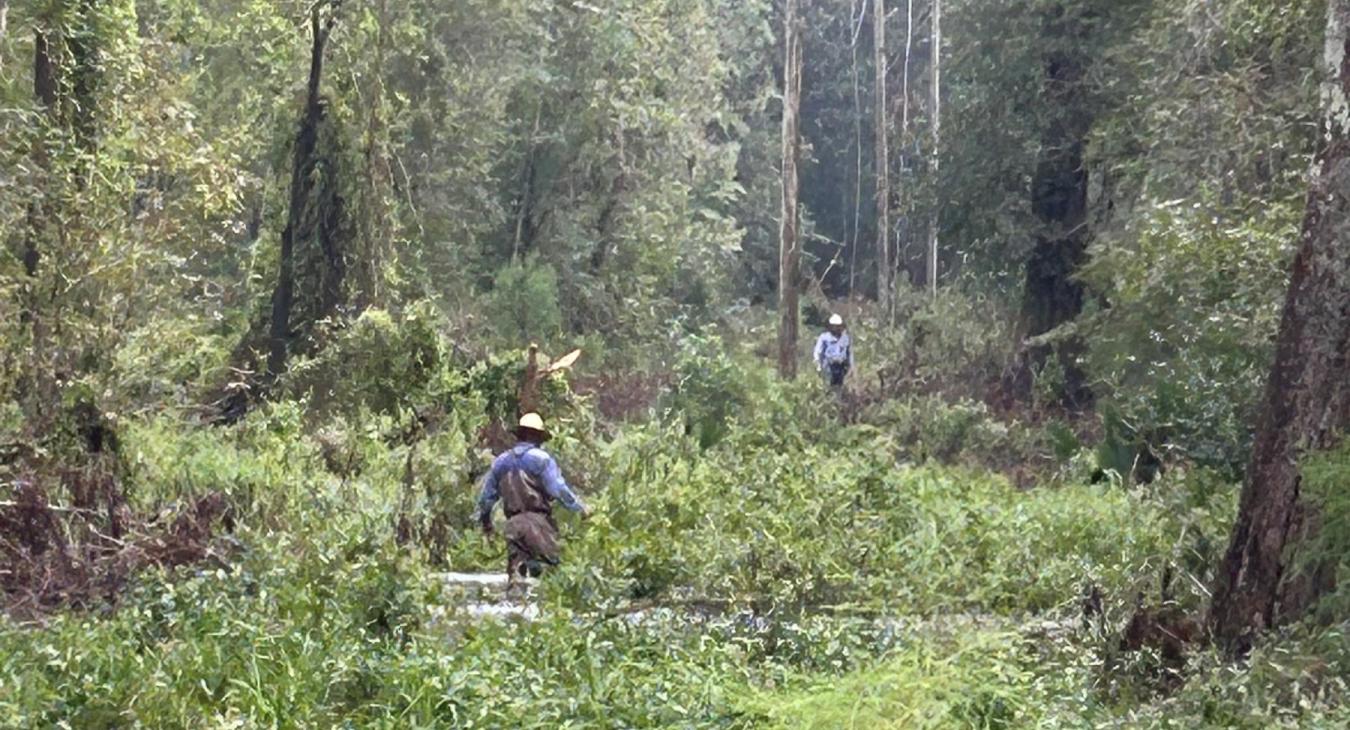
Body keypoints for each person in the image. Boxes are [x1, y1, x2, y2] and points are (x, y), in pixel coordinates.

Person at [476, 413, 590, 580]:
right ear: (538, 437)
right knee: (552, 575)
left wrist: (486, 524)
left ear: (520, 435)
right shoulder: (542, 459)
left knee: (516, 579)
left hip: (513, 525)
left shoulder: (501, 461)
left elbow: (486, 500)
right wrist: (580, 508)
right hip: (538, 524)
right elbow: (558, 490)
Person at [813, 314, 853, 387]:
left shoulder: (845, 338)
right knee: (829, 385)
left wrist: (850, 366)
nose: (837, 328)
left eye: (839, 326)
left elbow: (849, 353)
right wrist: (818, 365)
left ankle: (838, 397)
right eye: (835, 326)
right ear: (831, 326)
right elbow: (818, 352)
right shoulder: (824, 337)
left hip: (841, 366)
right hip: (828, 366)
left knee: (839, 386)